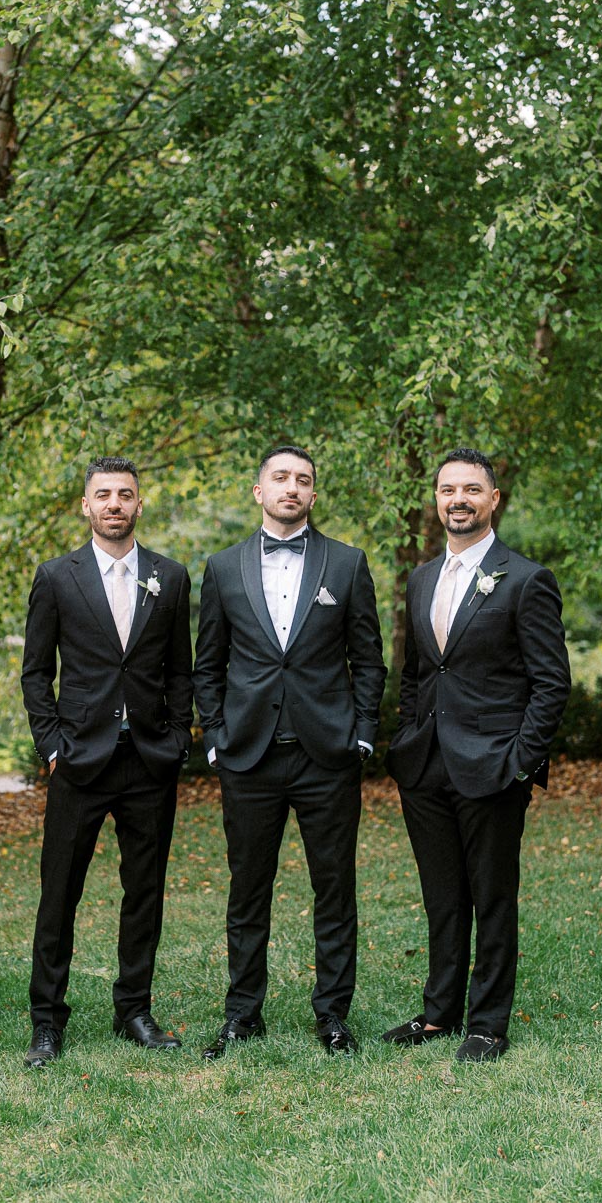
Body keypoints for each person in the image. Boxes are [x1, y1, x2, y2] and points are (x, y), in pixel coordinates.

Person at [194, 445, 386, 1059]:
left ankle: (332, 1017)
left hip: (327, 755)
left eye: (303, 480)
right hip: (248, 756)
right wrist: (216, 735)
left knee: (334, 889)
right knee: (247, 890)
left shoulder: (348, 563)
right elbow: (207, 666)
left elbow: (370, 658)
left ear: (312, 493)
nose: (292, 488)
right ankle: (242, 1014)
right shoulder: (222, 568)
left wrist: (360, 731)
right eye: (280, 478)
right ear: (259, 491)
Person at [383, 447, 570, 1062]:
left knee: (491, 897)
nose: (457, 500)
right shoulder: (422, 579)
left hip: (493, 767)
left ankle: (487, 1022)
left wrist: (519, 760)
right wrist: (410, 735)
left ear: (494, 500)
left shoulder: (526, 579)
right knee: (441, 895)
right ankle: (439, 1013)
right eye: (446, 490)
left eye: (470, 489)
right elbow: (416, 672)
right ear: (436, 501)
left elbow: (551, 683)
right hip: (426, 765)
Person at [20, 456, 193, 1066]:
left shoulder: (170, 578)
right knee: (59, 892)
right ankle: (47, 1020)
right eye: (103, 495)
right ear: (86, 507)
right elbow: (36, 673)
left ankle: (134, 1010)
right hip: (79, 761)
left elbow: (180, 670)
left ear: (139, 505)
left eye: (125, 495)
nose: (115, 504)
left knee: (143, 891)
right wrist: (52, 746)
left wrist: (175, 741)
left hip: (148, 759)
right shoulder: (56, 577)